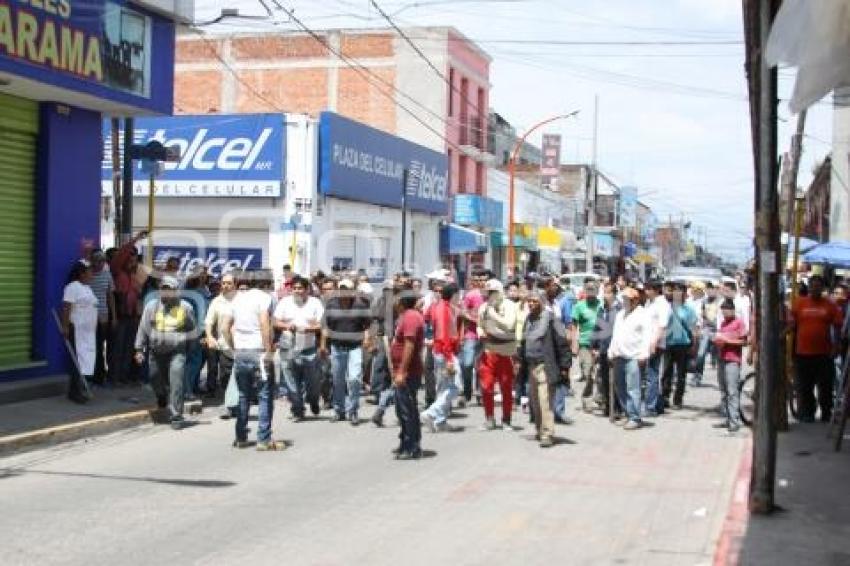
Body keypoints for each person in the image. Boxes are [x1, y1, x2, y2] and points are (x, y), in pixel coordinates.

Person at [222, 270, 283, 450]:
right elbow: (265, 323)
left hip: (241, 352)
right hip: (258, 352)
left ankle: (241, 437)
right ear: (266, 284)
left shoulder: (237, 298)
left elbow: (225, 327)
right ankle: (263, 439)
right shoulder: (264, 298)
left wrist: (233, 347)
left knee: (243, 396)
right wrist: (268, 349)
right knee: (264, 396)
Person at [134, 276, 197, 430]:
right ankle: (161, 396)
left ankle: (176, 415)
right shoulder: (151, 306)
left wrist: (189, 351)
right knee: (154, 377)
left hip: (177, 352)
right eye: (163, 289)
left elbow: (192, 330)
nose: (166, 292)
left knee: (176, 382)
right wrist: (139, 349)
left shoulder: (185, 307)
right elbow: (143, 328)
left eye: (170, 289)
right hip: (156, 352)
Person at [519, 290, 571, 447]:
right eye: (529, 301)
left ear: (541, 302)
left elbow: (562, 342)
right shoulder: (529, 319)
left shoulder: (550, 319)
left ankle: (548, 434)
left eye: (535, 301)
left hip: (545, 366)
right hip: (531, 366)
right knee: (534, 402)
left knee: (545, 401)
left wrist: (565, 366)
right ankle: (539, 429)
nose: (531, 304)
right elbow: (524, 341)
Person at [790, 274, 843, 422]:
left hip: (824, 353)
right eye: (813, 286)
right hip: (803, 353)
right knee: (805, 386)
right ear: (809, 287)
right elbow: (792, 323)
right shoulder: (799, 303)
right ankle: (809, 413)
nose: (815, 288)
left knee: (825, 386)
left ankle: (826, 412)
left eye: (818, 286)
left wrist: (836, 345)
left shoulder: (830, 305)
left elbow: (837, 327)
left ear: (823, 288)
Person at [321, 278, 372, 424]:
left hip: (354, 347)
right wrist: (323, 345)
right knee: (338, 380)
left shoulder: (360, 306)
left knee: (355, 379)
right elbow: (325, 327)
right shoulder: (332, 305)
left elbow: (367, 325)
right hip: (337, 348)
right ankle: (339, 410)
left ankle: (353, 410)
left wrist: (367, 339)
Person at [275, 275, 324, 421]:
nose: (297, 291)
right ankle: (297, 409)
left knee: (313, 384)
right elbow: (275, 321)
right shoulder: (284, 302)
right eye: (294, 288)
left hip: (308, 350)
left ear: (307, 289)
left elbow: (322, 324)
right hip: (288, 348)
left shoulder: (315, 303)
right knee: (292, 383)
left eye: (300, 288)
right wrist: (287, 326)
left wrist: (308, 329)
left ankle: (314, 401)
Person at [391, 281, 426, 459]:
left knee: (407, 410)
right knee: (402, 409)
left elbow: (409, 346)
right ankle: (405, 441)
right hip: (402, 371)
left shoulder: (411, 317)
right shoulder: (405, 316)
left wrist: (402, 372)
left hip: (408, 372)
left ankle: (412, 445)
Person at [477, 279, 519, 431]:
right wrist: (480, 332)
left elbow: (509, 325)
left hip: (506, 351)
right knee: (486, 386)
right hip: (489, 351)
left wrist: (493, 314)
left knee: (506, 386)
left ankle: (506, 420)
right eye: (488, 292)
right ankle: (489, 418)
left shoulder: (510, 306)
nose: (490, 295)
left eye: (493, 292)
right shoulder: (483, 307)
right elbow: (479, 325)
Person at [608, 287, 652, 430]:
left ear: (635, 300)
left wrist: (644, 354)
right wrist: (611, 351)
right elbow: (616, 335)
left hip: (634, 356)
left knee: (633, 388)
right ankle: (628, 413)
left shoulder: (643, 315)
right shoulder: (621, 314)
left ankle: (635, 417)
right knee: (620, 386)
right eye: (624, 299)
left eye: (628, 299)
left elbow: (647, 336)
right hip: (619, 355)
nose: (625, 302)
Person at [420, 283, 461, 432]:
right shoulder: (443, 309)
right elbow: (443, 334)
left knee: (443, 387)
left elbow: (426, 318)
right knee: (455, 387)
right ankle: (431, 413)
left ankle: (440, 421)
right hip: (444, 352)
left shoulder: (437, 306)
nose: (460, 298)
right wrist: (449, 357)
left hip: (440, 351)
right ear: (454, 295)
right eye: (458, 295)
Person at [111, 231, 147, 384]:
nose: (132, 260)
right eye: (129, 258)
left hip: (133, 318)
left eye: (134, 258)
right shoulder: (117, 271)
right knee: (117, 349)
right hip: (120, 317)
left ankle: (124, 377)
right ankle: (114, 377)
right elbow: (121, 254)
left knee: (129, 350)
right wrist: (136, 239)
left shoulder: (134, 276)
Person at [61, 261, 99, 403]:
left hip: (88, 333)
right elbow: (66, 308)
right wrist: (65, 327)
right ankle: (74, 392)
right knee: (77, 362)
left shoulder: (87, 288)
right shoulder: (72, 287)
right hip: (76, 331)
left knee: (85, 362)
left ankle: (79, 389)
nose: (92, 273)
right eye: (89, 271)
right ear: (81, 273)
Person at [541, 273, 573, 422]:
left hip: (558, 347)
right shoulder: (539, 304)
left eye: (556, 286)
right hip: (544, 348)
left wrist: (568, 342)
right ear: (546, 286)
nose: (556, 288)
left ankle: (558, 411)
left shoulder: (557, 305)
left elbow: (563, 326)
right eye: (553, 285)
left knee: (561, 377)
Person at [662, 282, 698, 410]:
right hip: (668, 343)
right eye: (675, 291)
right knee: (667, 372)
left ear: (684, 294)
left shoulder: (689, 310)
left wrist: (694, 345)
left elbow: (694, 329)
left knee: (681, 374)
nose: (676, 293)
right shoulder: (667, 307)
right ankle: (665, 397)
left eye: (679, 291)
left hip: (683, 345)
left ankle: (678, 399)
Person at [205, 272, 237, 416]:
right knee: (225, 376)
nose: (225, 285)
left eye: (229, 283)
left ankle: (232, 406)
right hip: (223, 345)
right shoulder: (216, 301)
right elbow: (209, 321)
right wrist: (209, 336)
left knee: (239, 376)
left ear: (234, 284)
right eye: (223, 283)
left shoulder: (242, 301)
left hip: (240, 345)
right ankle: (231, 403)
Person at [713, 299, 747, 433]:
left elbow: (744, 341)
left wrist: (727, 340)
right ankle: (727, 418)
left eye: (727, 309)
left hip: (732, 360)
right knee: (723, 391)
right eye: (723, 310)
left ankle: (734, 420)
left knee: (732, 391)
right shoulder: (722, 323)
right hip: (721, 358)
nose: (725, 312)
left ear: (733, 310)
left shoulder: (739, 323)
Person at [571, 280, 604, 412]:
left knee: (600, 373)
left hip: (600, 343)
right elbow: (574, 326)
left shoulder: (601, 305)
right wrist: (574, 344)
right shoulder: (579, 306)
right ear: (585, 291)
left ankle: (600, 397)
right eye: (588, 289)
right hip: (585, 344)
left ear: (597, 291)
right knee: (588, 372)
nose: (591, 292)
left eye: (593, 289)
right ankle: (587, 398)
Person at [459, 269, 487, 407]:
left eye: (484, 280)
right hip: (471, 335)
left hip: (487, 336)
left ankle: (480, 393)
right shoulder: (470, 295)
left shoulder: (492, 296)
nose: (481, 283)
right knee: (467, 364)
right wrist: (475, 320)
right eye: (479, 280)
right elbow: (462, 312)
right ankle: (467, 391)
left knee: (482, 366)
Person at [87, 250, 116, 386]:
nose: (99, 263)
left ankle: (99, 376)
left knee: (99, 347)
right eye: (97, 260)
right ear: (91, 260)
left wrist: (114, 317)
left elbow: (110, 297)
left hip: (103, 317)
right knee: (89, 347)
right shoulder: (87, 275)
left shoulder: (107, 275)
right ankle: (89, 376)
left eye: (102, 260)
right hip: (87, 317)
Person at [592, 282, 619, 417]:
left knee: (616, 381)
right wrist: (595, 346)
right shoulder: (601, 309)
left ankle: (618, 408)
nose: (605, 295)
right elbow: (597, 328)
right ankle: (608, 407)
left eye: (608, 293)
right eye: (604, 292)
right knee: (604, 380)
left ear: (614, 294)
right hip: (603, 349)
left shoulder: (619, 309)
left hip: (616, 350)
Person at [644, 280, 671, 416]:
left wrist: (654, 343)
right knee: (650, 375)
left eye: (648, 289)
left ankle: (650, 407)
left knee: (652, 376)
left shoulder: (662, 304)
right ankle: (657, 404)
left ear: (655, 290)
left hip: (655, 344)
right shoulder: (650, 303)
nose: (646, 291)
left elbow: (662, 325)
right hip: (647, 342)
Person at [693, 282, 721, 386]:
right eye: (708, 289)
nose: (710, 291)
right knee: (700, 354)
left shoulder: (721, 302)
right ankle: (697, 377)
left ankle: (721, 379)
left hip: (718, 331)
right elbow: (702, 316)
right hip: (706, 330)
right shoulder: (704, 301)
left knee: (720, 356)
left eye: (712, 288)